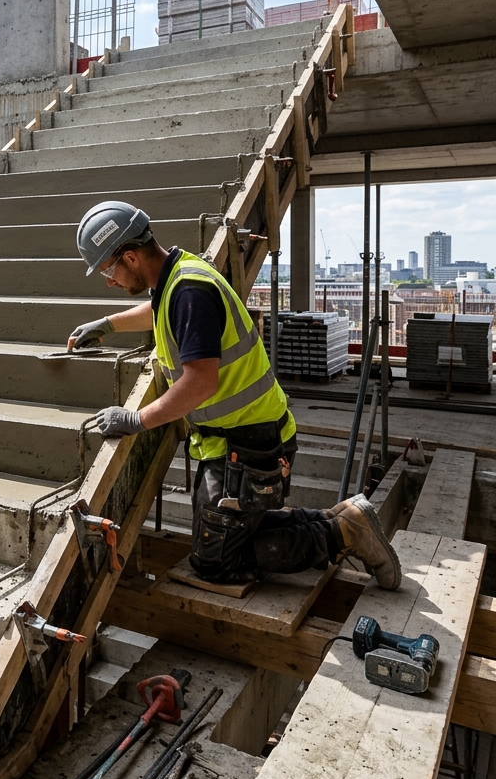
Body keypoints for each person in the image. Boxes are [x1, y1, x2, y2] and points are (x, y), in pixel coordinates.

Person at [67, 201, 401, 590]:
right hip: (239, 439)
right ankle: (342, 519)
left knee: (214, 561)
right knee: (226, 532)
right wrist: (106, 325)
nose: (110, 281)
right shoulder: (177, 276)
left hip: (250, 446)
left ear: (130, 257)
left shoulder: (189, 291)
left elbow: (199, 383)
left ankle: (341, 533)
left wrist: (135, 420)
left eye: (109, 270)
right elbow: (160, 311)